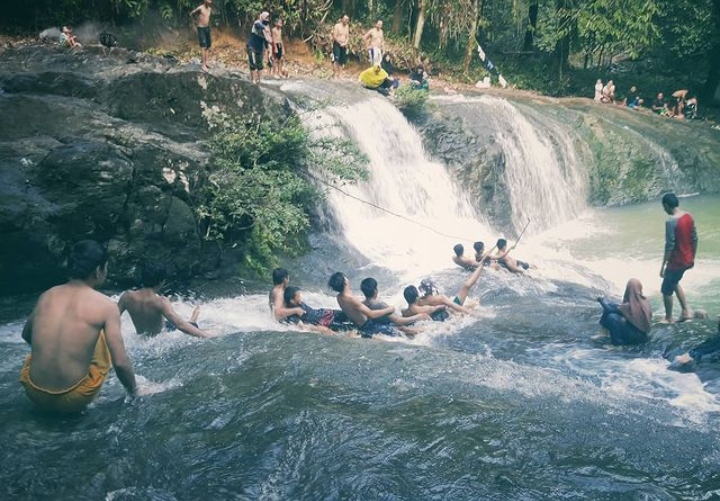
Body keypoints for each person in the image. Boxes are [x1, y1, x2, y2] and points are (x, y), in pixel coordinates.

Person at [19, 241, 137, 413]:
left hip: (32, 391)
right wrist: (135, 391)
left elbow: (26, 335)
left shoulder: (47, 295)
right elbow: (119, 362)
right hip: (74, 398)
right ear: (98, 270)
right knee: (102, 338)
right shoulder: (106, 306)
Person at [118, 263, 210, 338]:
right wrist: (206, 335)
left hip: (154, 331)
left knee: (170, 323)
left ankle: (192, 318)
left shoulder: (127, 296)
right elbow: (180, 325)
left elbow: (113, 316)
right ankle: (193, 319)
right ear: (162, 282)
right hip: (163, 333)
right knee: (191, 325)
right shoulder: (160, 301)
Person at [660, 193, 698, 323]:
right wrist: (693, 257)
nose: (664, 210)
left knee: (666, 289)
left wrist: (663, 265)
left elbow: (669, 245)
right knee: (674, 282)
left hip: (677, 261)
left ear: (666, 205)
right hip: (687, 259)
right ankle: (686, 311)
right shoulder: (689, 216)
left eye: (663, 207)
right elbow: (695, 238)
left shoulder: (671, 221)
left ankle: (668, 318)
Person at [404, 261, 487, 321]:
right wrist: (477, 316)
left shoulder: (419, 301)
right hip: (448, 313)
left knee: (467, 304)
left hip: (439, 316)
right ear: (432, 288)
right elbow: (457, 307)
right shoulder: (440, 298)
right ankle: (481, 266)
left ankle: (470, 305)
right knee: (466, 286)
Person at [328, 272, 398, 338]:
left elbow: (354, 309)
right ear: (345, 282)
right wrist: (390, 309)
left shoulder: (339, 297)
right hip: (369, 327)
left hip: (358, 325)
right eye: (345, 277)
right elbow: (371, 314)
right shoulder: (351, 299)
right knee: (397, 330)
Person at [360, 278, 429, 337]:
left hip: (379, 327)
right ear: (375, 290)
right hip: (394, 327)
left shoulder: (363, 304)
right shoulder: (379, 304)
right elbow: (399, 321)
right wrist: (419, 316)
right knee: (426, 329)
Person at [596, 278, 652, 345]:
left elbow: (608, 309)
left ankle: (617, 344)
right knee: (614, 311)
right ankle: (603, 332)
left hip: (634, 337)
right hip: (643, 337)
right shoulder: (645, 302)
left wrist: (601, 300)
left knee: (612, 317)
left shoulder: (629, 305)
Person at [283, 286, 352, 335]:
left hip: (327, 312)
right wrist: (321, 329)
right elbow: (303, 327)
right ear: (292, 301)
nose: (300, 297)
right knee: (349, 328)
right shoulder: (293, 316)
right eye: (298, 296)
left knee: (350, 314)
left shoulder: (298, 303)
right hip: (325, 321)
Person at [247, 11, 273, 84]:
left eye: (268, 18)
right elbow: (257, 25)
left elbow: (266, 40)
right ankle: (253, 80)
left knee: (260, 64)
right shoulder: (258, 22)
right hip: (251, 45)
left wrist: (268, 51)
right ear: (262, 17)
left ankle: (260, 79)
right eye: (266, 17)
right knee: (253, 62)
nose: (267, 19)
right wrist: (264, 28)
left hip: (259, 48)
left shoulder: (267, 28)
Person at [190, 0, 213, 73]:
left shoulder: (209, 9)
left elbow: (207, 18)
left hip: (207, 28)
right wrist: (194, 24)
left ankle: (206, 62)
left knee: (208, 46)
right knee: (203, 46)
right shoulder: (200, 8)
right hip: (201, 29)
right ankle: (203, 65)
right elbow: (192, 14)